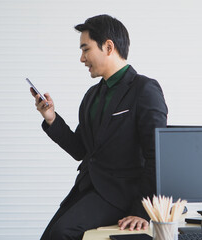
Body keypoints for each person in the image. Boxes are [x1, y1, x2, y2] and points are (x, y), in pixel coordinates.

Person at [30, 14, 168, 240]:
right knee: (49, 236)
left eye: (86, 49)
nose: (82, 58)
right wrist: (51, 118)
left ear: (108, 46)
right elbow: (81, 150)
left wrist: (142, 211)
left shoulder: (144, 89)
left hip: (122, 194)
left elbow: (158, 155)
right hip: (89, 188)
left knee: (62, 233)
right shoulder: (92, 96)